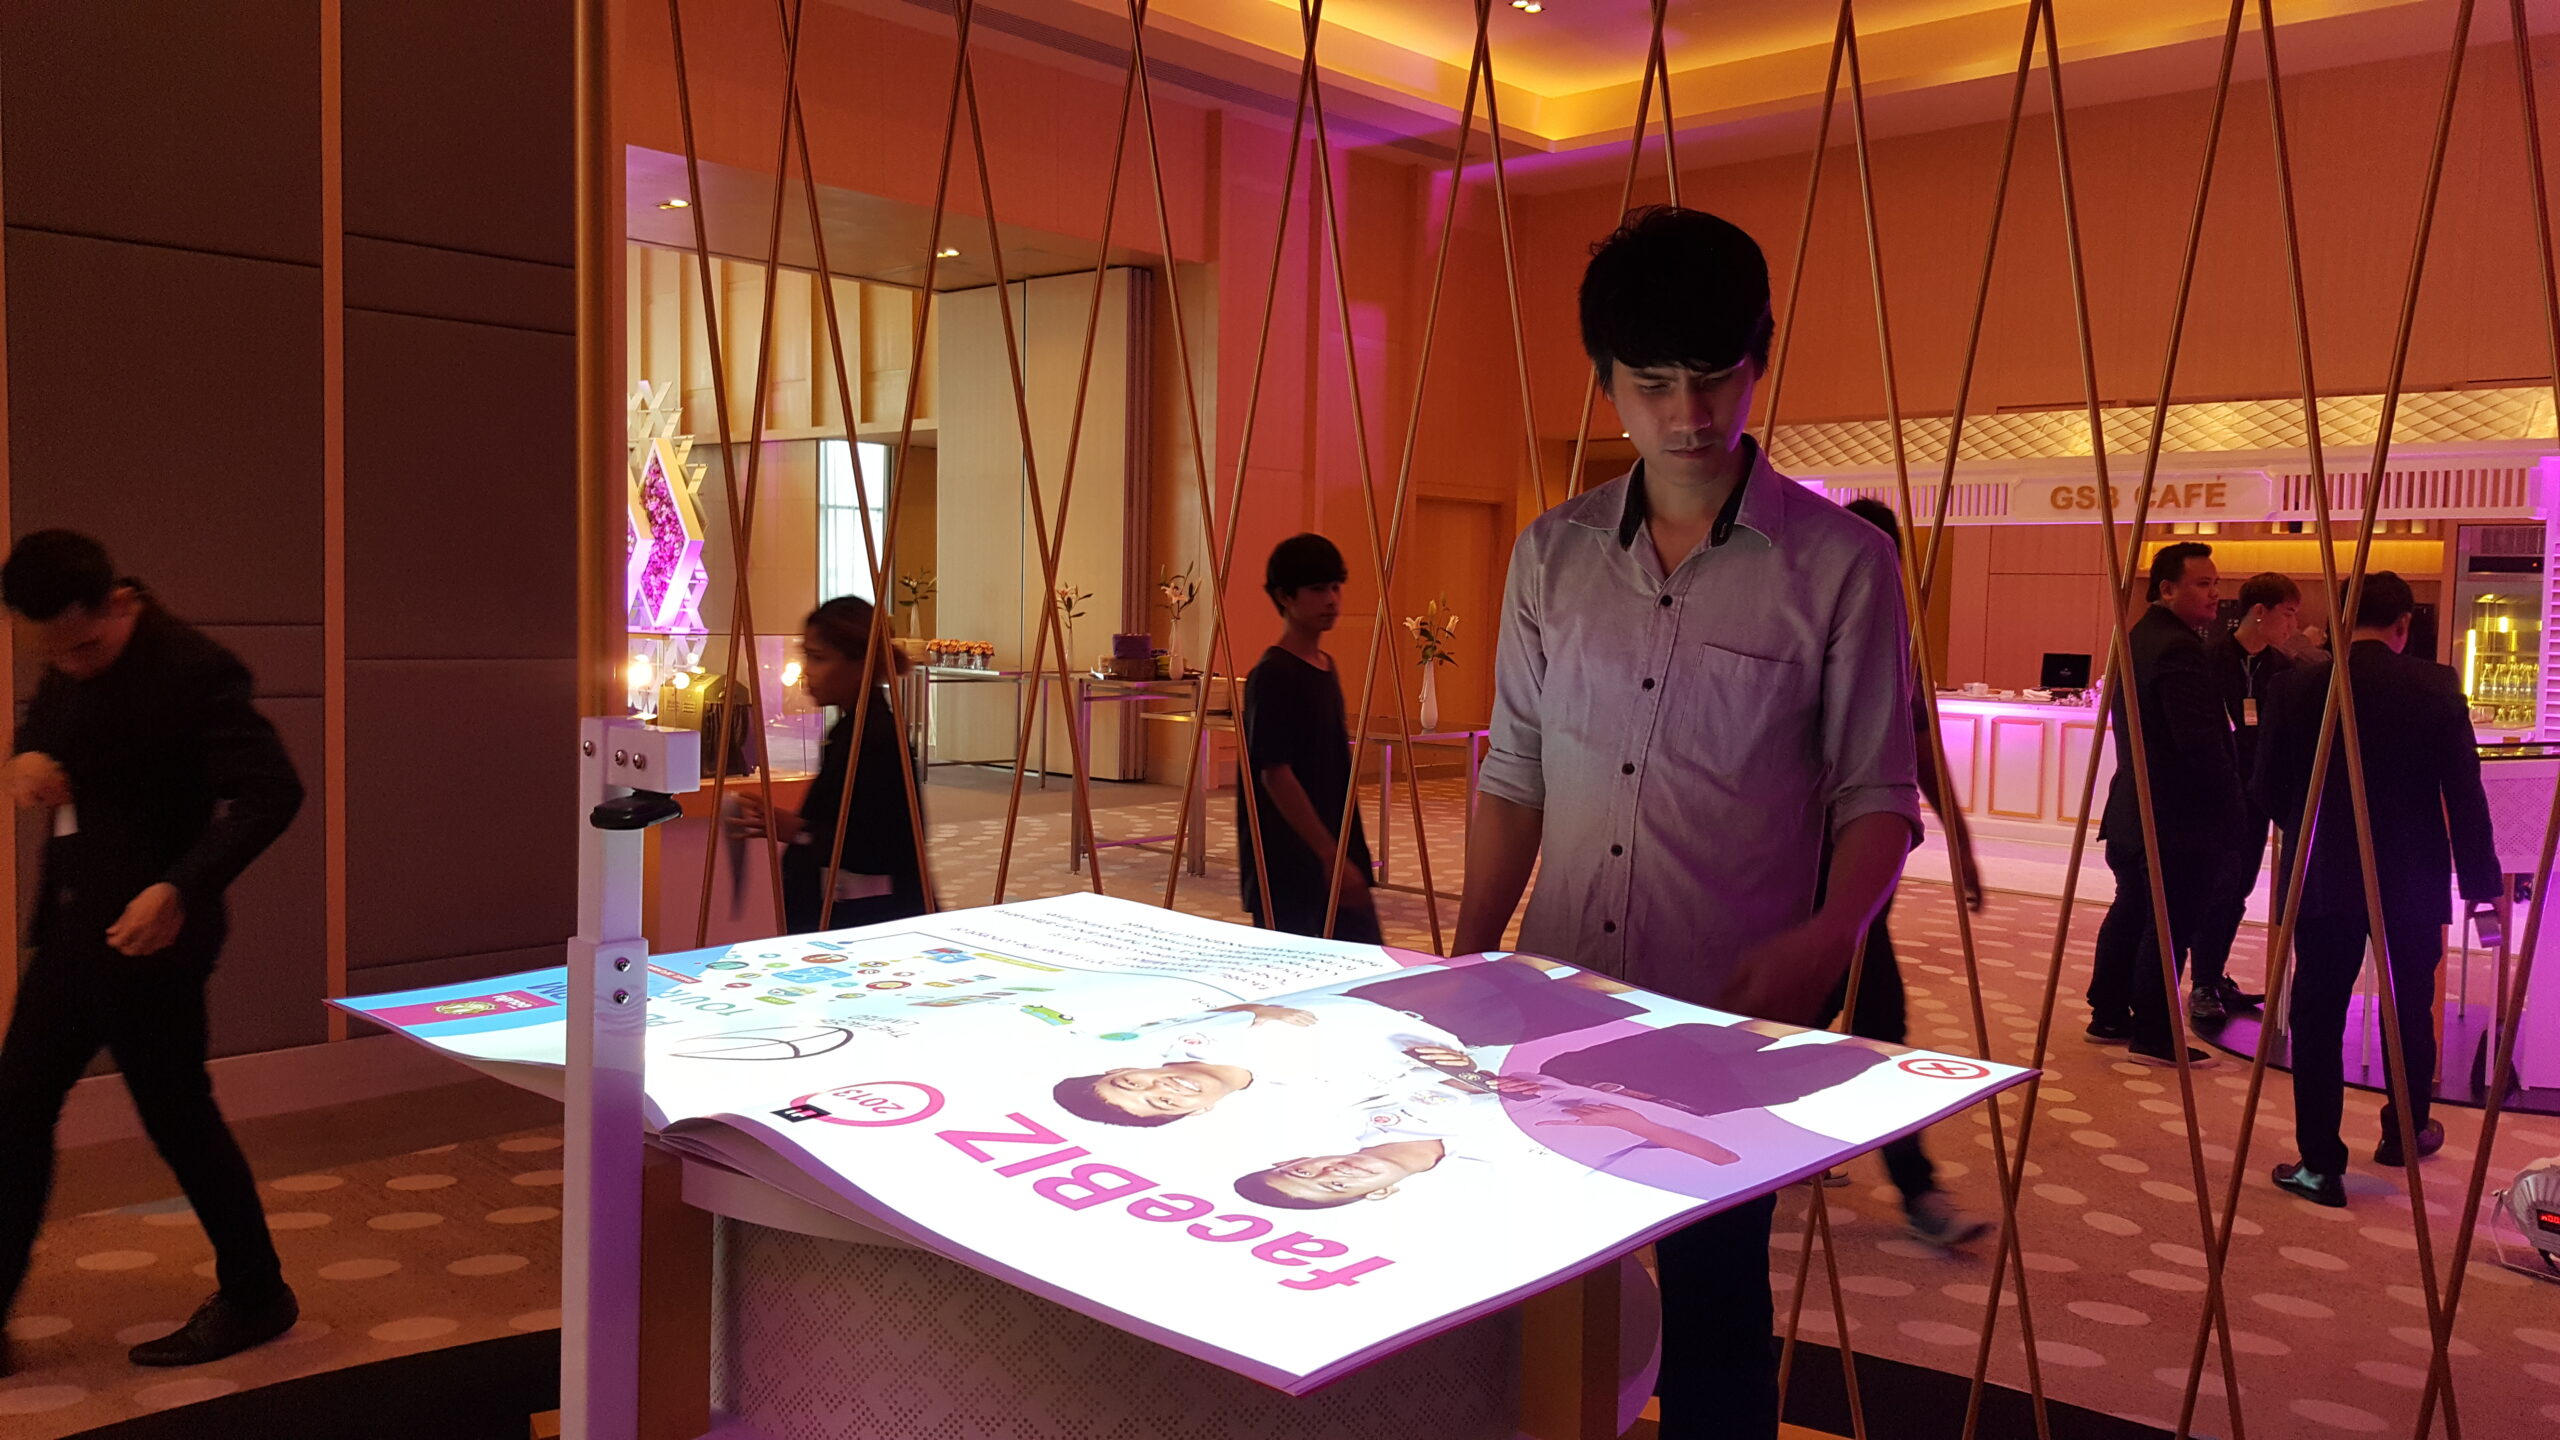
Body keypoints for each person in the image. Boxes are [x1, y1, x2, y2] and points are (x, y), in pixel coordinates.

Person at [1454, 206, 1921, 1440]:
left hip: (1726, 1013)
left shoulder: (1841, 566)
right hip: (1555, 999)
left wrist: (1829, 936)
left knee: (1716, 1308)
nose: (1689, 413)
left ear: (1760, 357)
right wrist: (1469, 952)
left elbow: (1878, 796)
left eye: (1714, 375)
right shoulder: (1548, 558)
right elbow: (1515, 773)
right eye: (1652, 383)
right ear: (1605, 380)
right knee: (1542, 1288)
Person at [0, 531, 305, 1374]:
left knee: (178, 1117)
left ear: (120, 604)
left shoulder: (194, 670)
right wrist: (27, 759)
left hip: (153, 938)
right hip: (73, 929)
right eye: (49, 655)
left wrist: (180, 887)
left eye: (83, 648)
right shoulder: (67, 653)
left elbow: (273, 792)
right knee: (15, 1108)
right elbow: (48, 725)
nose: (69, 665)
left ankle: (257, 1293)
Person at [2255, 572, 2500, 1207]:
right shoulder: (2435, 685)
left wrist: (2314, 829)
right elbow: (2464, 792)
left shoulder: (2296, 686)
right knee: (2409, 1007)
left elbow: (2269, 789)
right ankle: (2405, 1132)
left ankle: (2320, 1165)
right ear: (2404, 624)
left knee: (2318, 1014)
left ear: (2340, 619)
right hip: (2412, 874)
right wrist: (2482, 882)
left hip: (2323, 872)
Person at [1826, 498, 1990, 1248]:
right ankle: (1915, 1188)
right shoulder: (1800, 634)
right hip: (1793, 869)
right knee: (1847, 1021)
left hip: (1868, 872)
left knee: (1864, 1021)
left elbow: (1921, 749)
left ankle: (1915, 1187)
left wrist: (1962, 841)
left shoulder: (1898, 648)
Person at [2087, 541, 2239, 1067]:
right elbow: (2198, 744)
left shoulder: (2139, 636)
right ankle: (2153, 1032)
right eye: (2202, 584)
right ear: (2167, 589)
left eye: (2215, 583)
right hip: (2176, 815)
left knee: (2133, 908)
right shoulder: (2177, 649)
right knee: (2169, 919)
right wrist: (2232, 807)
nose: (2214, 593)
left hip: (2136, 804)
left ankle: (2109, 1013)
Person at [731, 596, 926, 935]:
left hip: (870, 926)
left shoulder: (875, 737)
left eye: (819, 658)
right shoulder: (853, 729)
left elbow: (886, 846)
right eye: (807, 656)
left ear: (860, 664)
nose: (808, 670)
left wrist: (799, 830)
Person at [1238, 534, 1379, 943]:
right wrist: (1328, 854)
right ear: (1285, 596)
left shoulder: (1324, 665)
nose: (1332, 600)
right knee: (1296, 960)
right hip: (1291, 854)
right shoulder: (1273, 675)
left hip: (1334, 839)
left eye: (1336, 587)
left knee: (1361, 955)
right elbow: (1275, 773)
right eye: (1317, 589)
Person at [2189, 571, 2301, 1023]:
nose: (2292, 625)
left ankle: (2213, 975)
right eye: (2287, 614)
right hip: (2217, 795)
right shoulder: (2208, 661)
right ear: (2259, 611)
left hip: (2258, 796)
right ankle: (2202, 982)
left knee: (2240, 889)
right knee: (2217, 887)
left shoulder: (2284, 669)